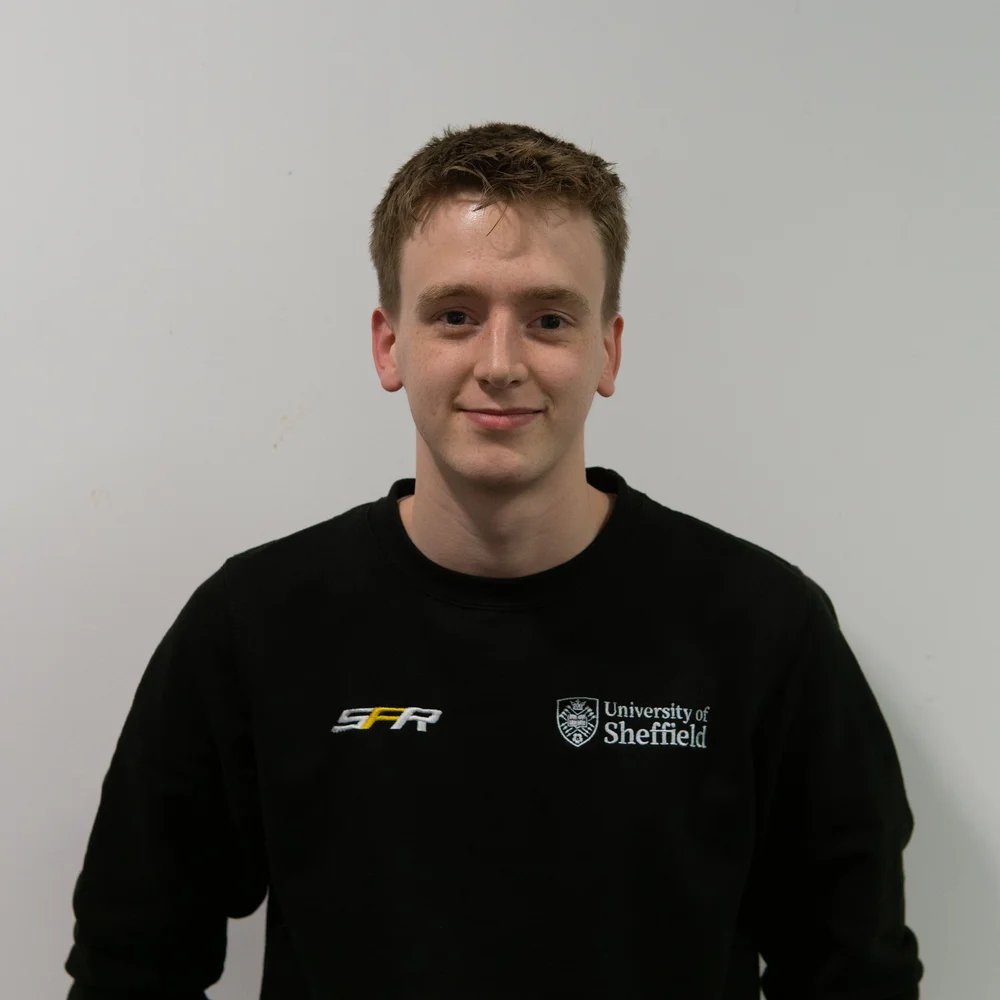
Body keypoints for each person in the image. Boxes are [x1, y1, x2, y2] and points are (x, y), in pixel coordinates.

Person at [65, 121, 924, 999]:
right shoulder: (257, 623)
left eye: (549, 319)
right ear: (389, 345)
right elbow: (131, 965)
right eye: (455, 316)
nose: (501, 363)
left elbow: (855, 975)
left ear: (607, 349)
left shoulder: (762, 626)